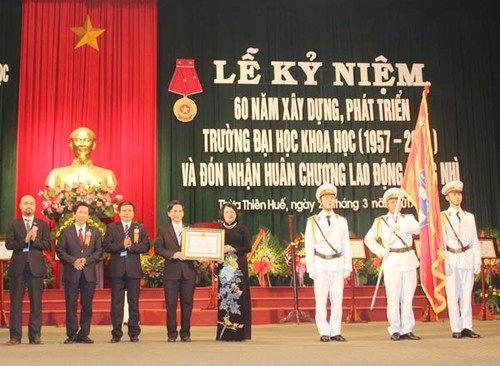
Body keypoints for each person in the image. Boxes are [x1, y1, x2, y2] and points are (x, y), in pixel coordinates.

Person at [364, 187, 421, 341]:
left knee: (408, 297)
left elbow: (419, 229)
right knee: (393, 298)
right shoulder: (380, 221)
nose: (395, 204)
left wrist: (402, 227)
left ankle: (407, 328)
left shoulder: (408, 218)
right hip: (392, 261)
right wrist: (381, 251)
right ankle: (395, 328)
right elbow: (368, 239)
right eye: (392, 201)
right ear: (386, 204)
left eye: (398, 201)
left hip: (408, 259)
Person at [305, 183, 352, 342]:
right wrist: (310, 267)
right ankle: (324, 331)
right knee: (321, 299)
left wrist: (348, 266)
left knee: (337, 299)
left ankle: (335, 330)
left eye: (332, 198)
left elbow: (346, 244)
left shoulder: (341, 221)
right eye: (326, 198)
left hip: (337, 262)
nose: (330, 201)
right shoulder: (313, 221)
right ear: (320, 201)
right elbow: (309, 245)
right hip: (320, 263)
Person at [5, 195, 51, 345]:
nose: (29, 206)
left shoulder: (43, 224)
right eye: (26, 203)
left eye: (31, 203)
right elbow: (8, 244)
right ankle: (15, 337)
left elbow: (47, 245)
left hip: (36, 268)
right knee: (15, 303)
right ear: (20, 206)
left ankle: (35, 335)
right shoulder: (13, 223)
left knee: (36, 303)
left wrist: (34, 240)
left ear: (35, 206)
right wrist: (23, 241)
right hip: (18, 267)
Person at [103, 201, 150, 343]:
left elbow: (146, 245)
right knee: (116, 303)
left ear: (133, 213)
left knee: (133, 302)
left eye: (129, 210)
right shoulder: (112, 227)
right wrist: (121, 245)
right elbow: (106, 245)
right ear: (119, 213)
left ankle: (134, 332)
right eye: (124, 210)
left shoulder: (139, 227)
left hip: (133, 270)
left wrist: (131, 247)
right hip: (117, 270)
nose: (127, 213)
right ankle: (116, 333)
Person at [56, 202, 103, 344]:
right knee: (71, 305)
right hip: (72, 272)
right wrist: (74, 260)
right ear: (74, 214)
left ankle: (84, 333)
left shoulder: (94, 231)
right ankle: (71, 334)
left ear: (88, 216)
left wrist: (86, 260)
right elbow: (60, 251)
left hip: (88, 274)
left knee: (87, 305)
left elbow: (99, 251)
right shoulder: (65, 231)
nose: (82, 215)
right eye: (80, 212)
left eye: (85, 213)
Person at [441, 180, 481, 339]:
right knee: (453, 294)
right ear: (447, 197)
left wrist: (477, 260)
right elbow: (441, 242)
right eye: (453, 194)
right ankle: (456, 327)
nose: (457, 197)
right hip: (451, 257)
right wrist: (445, 262)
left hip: (466, 257)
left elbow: (474, 241)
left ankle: (467, 326)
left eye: (459, 194)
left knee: (466, 294)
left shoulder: (469, 217)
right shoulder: (443, 217)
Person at [154, 200, 195, 342]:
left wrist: (202, 255)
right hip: (171, 273)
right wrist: (173, 254)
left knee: (187, 303)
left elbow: (197, 247)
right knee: (171, 304)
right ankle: (171, 333)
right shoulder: (163, 230)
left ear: (183, 213)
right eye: (174, 211)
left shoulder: (191, 228)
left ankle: (185, 334)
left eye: (179, 211)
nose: (177, 214)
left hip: (188, 272)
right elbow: (158, 248)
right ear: (169, 214)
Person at [216, 202, 252, 341]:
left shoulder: (242, 229)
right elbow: (214, 249)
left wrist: (233, 249)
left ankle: (239, 333)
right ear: (222, 215)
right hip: (224, 267)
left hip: (239, 266)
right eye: (226, 212)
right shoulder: (219, 231)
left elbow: (247, 247)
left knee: (238, 296)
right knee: (225, 296)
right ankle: (225, 332)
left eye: (232, 212)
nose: (229, 214)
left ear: (236, 214)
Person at [45, 127, 118, 189]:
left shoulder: (107, 175)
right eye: (78, 140)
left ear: (93, 145)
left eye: (86, 140)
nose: (82, 144)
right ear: (71, 144)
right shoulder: (56, 174)